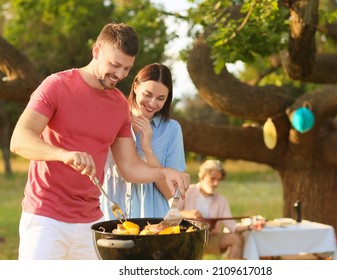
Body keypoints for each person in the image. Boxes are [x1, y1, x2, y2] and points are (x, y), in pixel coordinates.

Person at [10, 22, 190, 260]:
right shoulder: (57, 85)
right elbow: (19, 139)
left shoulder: (118, 106)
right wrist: (64, 154)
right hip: (46, 217)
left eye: (127, 68)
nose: (119, 74)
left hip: (92, 222)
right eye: (115, 64)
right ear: (96, 51)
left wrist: (165, 173)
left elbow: (129, 167)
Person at [101, 63, 186, 219]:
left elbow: (171, 193)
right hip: (110, 213)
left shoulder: (172, 129)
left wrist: (147, 149)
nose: (153, 103)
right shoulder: (111, 118)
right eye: (147, 94)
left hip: (151, 218)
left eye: (161, 98)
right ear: (135, 87)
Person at [178, 159, 265, 259]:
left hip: (210, 239)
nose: (216, 183)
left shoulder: (221, 200)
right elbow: (168, 214)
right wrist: (187, 214)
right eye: (212, 178)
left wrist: (250, 227)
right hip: (185, 238)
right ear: (202, 176)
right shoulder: (187, 191)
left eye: (218, 180)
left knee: (236, 239)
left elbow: (232, 225)